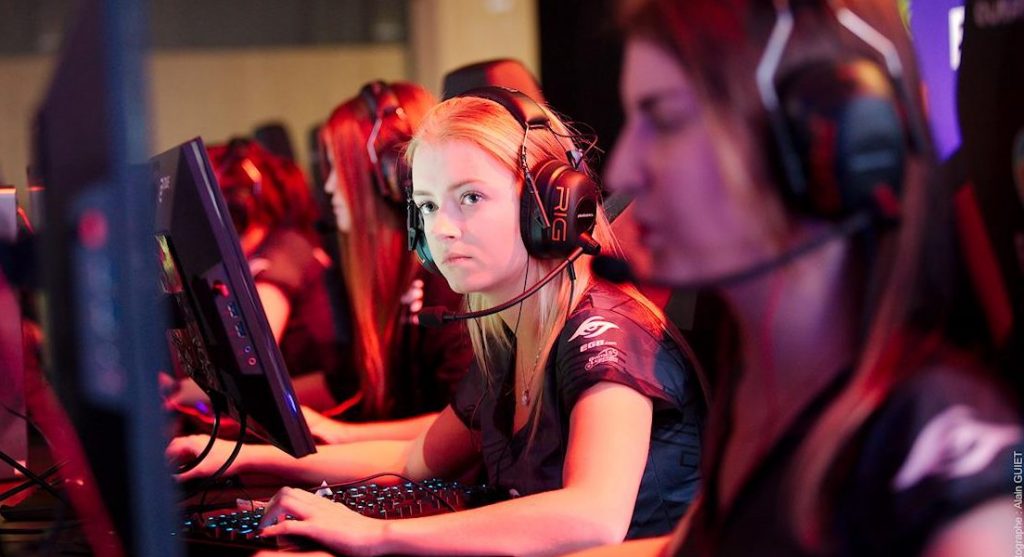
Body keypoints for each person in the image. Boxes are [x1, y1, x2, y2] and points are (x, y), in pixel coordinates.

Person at [168, 87, 707, 555]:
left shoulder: (606, 335)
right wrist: (250, 461)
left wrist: (373, 537)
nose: (441, 229)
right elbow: (412, 460)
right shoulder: (509, 338)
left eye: (469, 198)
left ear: (550, 209)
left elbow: (591, 516)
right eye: (425, 206)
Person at [573, 0, 1022, 556]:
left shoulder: (942, 452)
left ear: (821, 140)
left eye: (663, 119)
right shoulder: (759, 389)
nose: (621, 170)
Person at [301, 81, 474, 443]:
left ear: (394, 175)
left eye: (338, 169)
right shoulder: (388, 282)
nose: (329, 187)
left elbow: (468, 421)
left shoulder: (449, 278)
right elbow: (349, 379)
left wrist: (338, 434)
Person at [165, 138, 346, 412]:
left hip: (322, 416)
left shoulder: (285, 251)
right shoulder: (252, 257)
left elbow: (246, 352)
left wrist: (174, 392)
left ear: (234, 207)